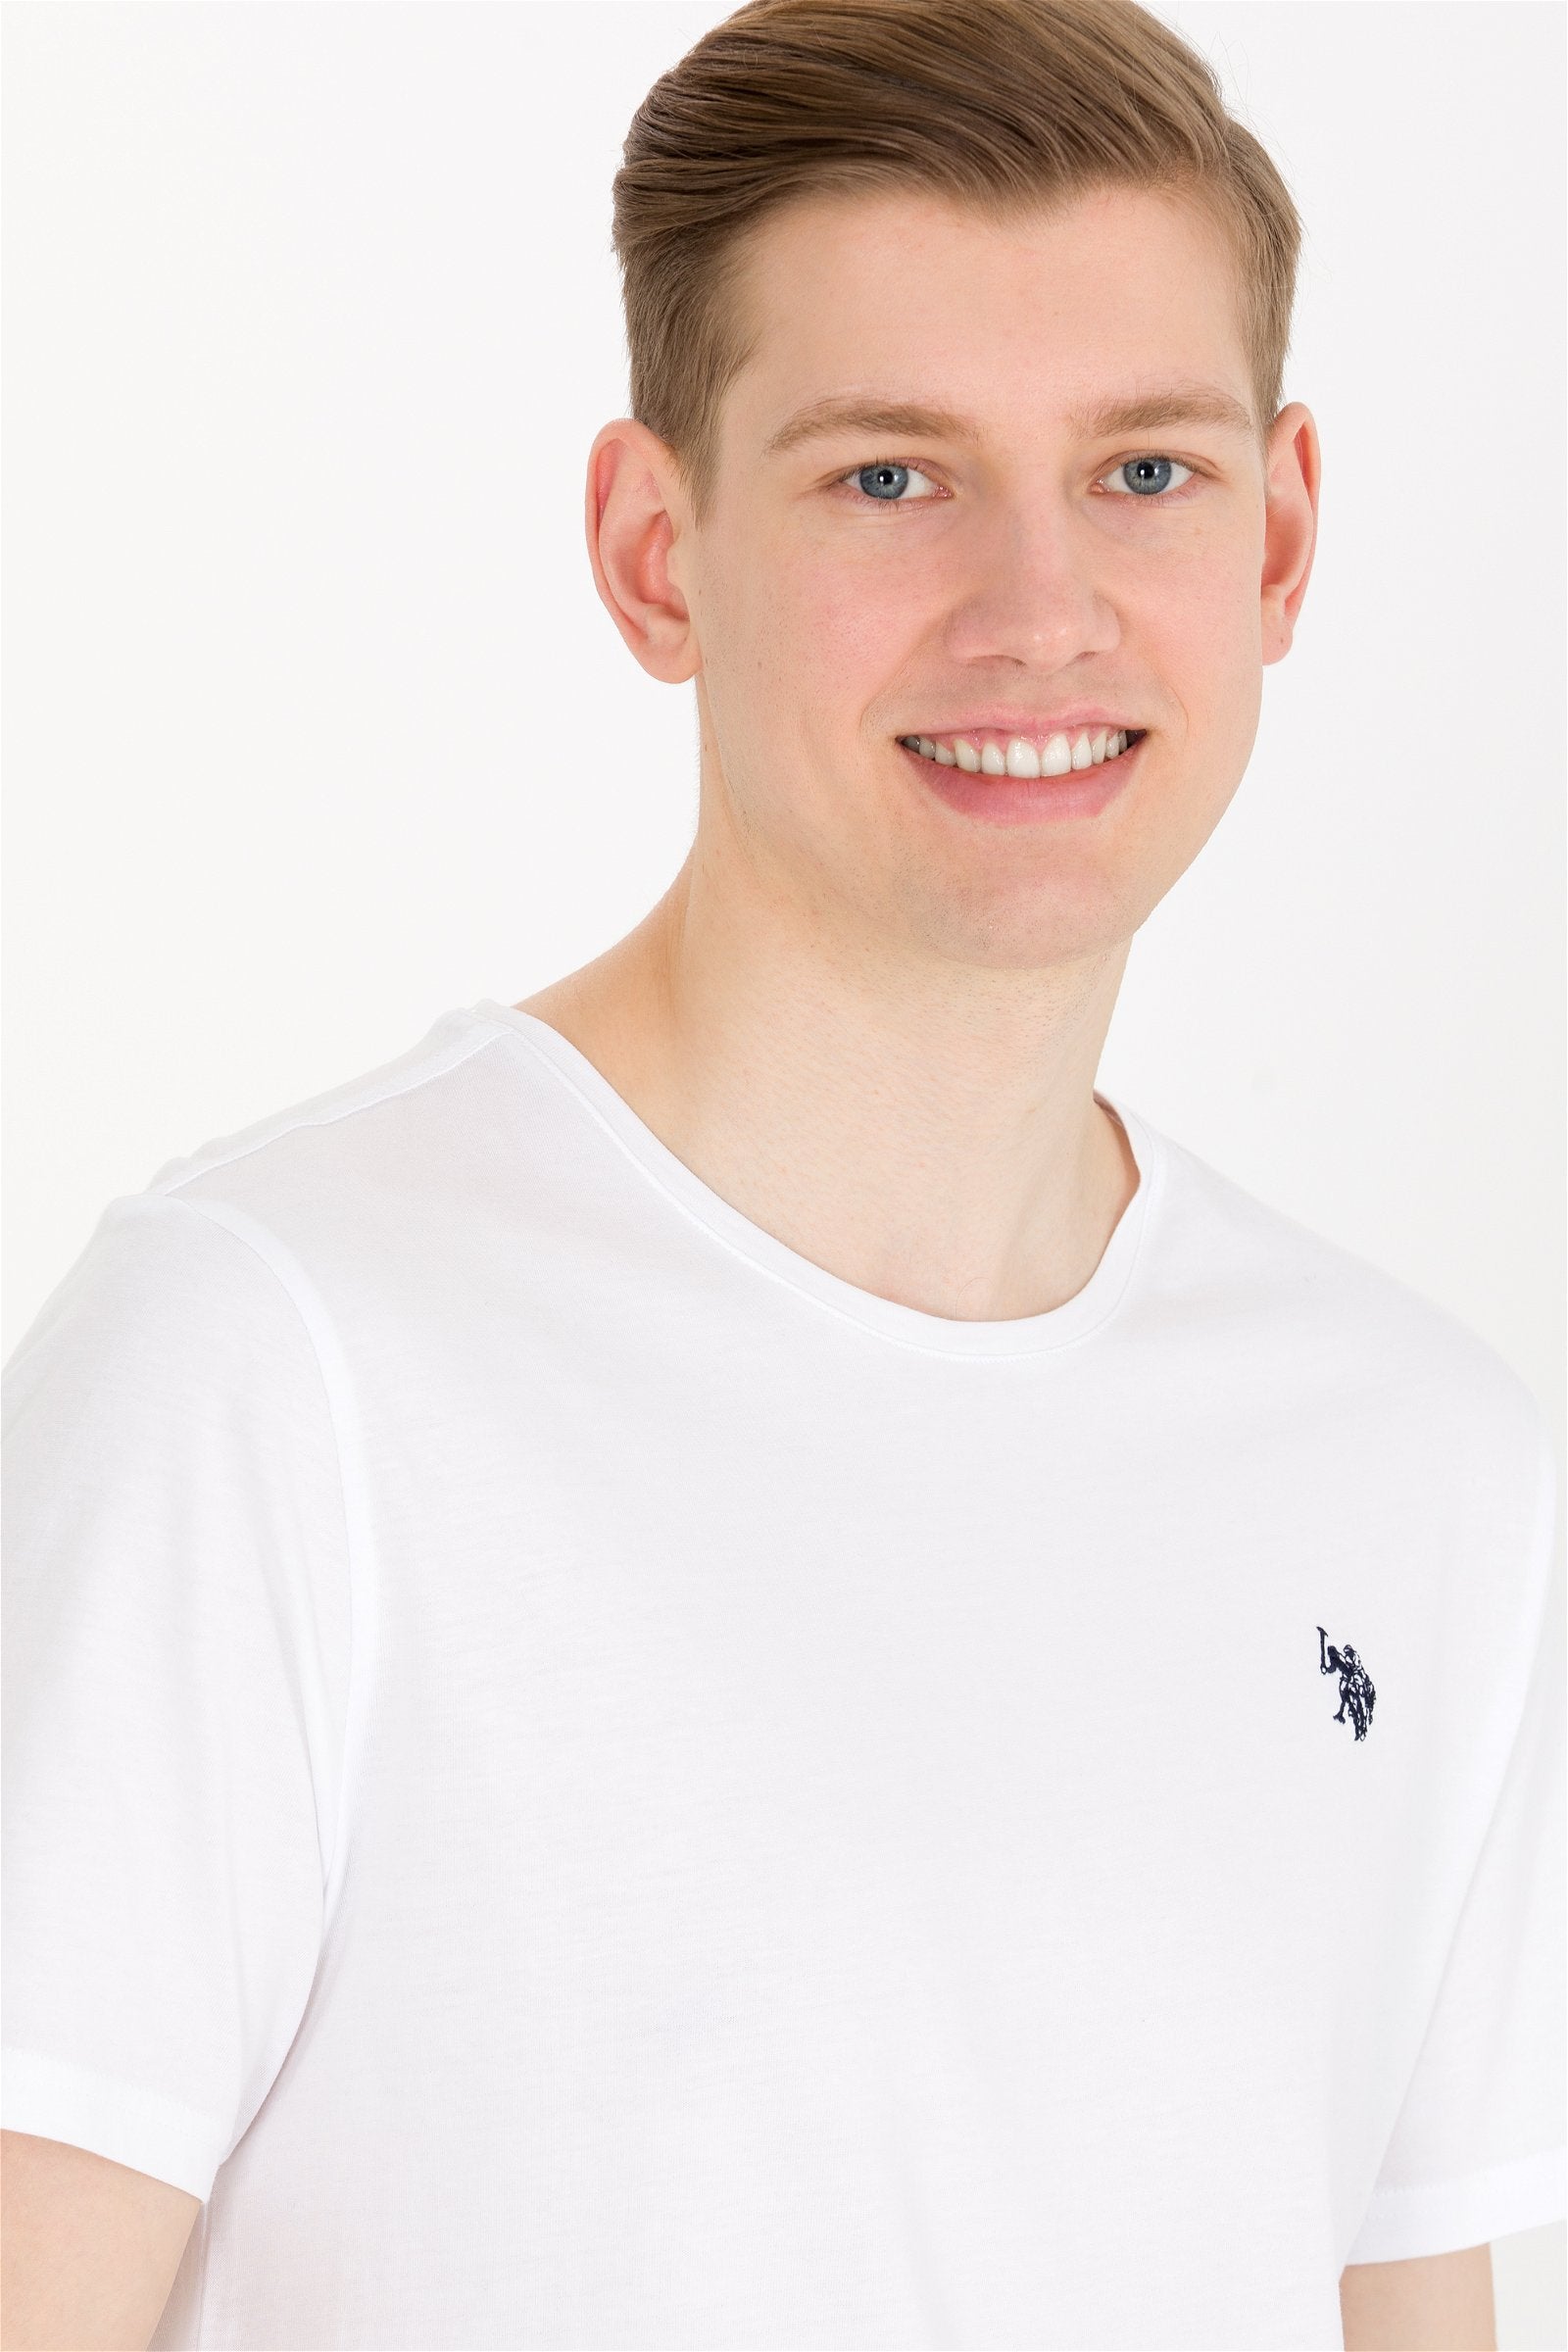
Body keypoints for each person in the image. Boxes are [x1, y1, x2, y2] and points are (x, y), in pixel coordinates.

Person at [2, 1, 1561, 2346]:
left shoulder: (1414, 1462)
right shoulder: (273, 1364)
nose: (1036, 611)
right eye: (888, 478)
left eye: (1142, 470)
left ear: (1280, 535)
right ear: (656, 554)